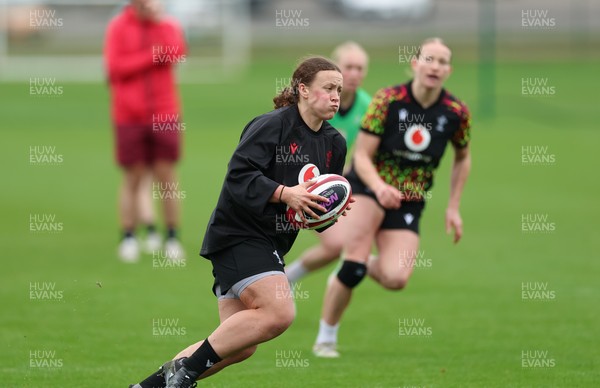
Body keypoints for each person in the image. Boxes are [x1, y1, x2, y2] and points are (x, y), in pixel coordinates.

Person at [130, 56, 348, 388]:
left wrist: (327, 211)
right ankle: (186, 375)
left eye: (339, 90)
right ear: (303, 90)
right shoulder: (273, 125)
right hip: (237, 234)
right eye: (328, 88)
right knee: (280, 312)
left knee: (238, 346)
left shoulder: (334, 143)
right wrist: (285, 193)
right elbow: (239, 176)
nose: (336, 96)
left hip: (271, 242)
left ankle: (149, 387)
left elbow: (309, 215)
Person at [312, 38, 472, 358]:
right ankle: (326, 338)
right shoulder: (388, 100)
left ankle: (359, 261)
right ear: (415, 64)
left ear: (448, 71)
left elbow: (462, 157)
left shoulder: (456, 112)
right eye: (430, 59)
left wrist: (453, 206)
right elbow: (361, 156)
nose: (436, 66)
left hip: (410, 199)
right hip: (367, 187)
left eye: (443, 62)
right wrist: (380, 186)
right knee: (353, 268)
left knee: (396, 278)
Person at [104, 0, 186, 263]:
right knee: (134, 177)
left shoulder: (166, 24)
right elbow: (116, 68)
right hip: (129, 114)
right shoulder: (118, 27)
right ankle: (128, 236)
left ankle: (172, 236)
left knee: (167, 177)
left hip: (165, 112)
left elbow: (176, 52)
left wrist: (160, 24)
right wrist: (151, 56)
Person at [286, 41, 371, 283]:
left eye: (360, 68)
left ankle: (287, 277)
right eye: (349, 67)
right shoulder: (312, 102)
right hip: (295, 179)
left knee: (338, 245)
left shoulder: (368, 107)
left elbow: (366, 151)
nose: (354, 74)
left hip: (331, 181)